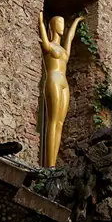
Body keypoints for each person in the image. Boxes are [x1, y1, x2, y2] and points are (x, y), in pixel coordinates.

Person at [38, 12, 84, 167]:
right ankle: (49, 165)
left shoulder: (63, 50)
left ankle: (53, 163)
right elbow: (42, 34)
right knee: (52, 121)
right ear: (52, 25)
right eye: (59, 23)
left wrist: (77, 21)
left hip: (64, 83)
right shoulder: (49, 46)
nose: (62, 27)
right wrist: (39, 16)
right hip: (54, 80)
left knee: (60, 123)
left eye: (64, 24)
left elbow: (69, 38)